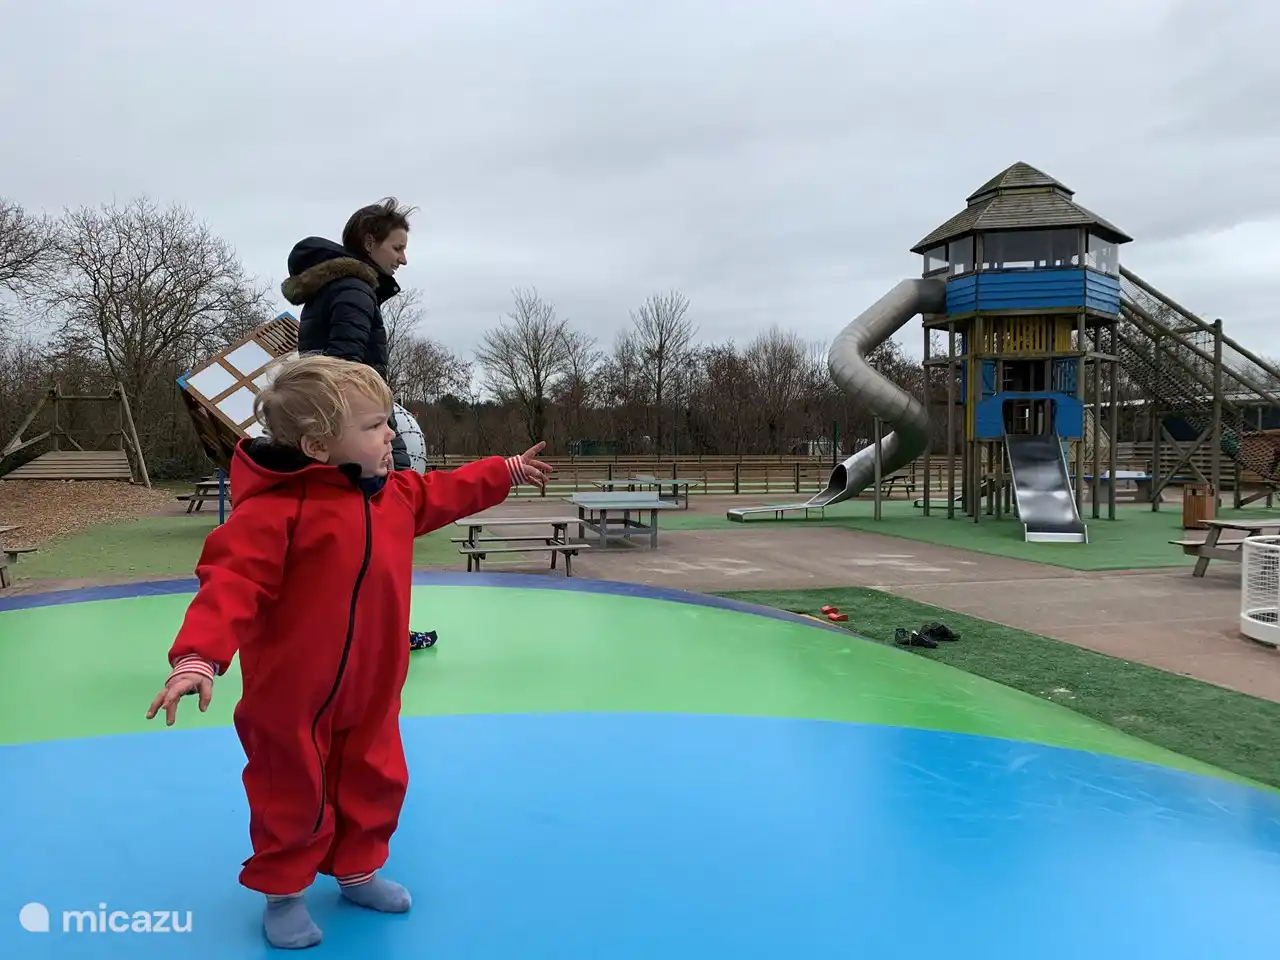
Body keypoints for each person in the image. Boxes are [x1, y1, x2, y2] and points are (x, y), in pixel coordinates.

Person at [144, 354, 551, 950]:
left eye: (388, 422)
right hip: (291, 699)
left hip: (372, 690)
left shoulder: (395, 498)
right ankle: (284, 891)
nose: (391, 434)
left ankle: (358, 869)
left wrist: (506, 469)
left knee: (376, 778)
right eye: (374, 425)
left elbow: (451, 489)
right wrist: (198, 657)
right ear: (317, 446)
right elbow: (230, 583)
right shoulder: (274, 513)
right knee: (292, 790)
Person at [281, 197, 434, 650]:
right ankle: (383, 631)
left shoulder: (338, 286)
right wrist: (370, 426)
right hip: (360, 423)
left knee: (361, 530)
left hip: (350, 422)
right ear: (370, 243)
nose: (404, 258)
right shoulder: (354, 288)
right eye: (397, 247)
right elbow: (344, 368)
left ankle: (363, 628)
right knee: (391, 519)